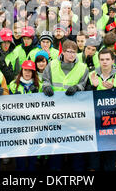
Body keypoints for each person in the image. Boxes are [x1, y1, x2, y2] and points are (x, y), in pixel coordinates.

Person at [41, 39, 89, 170]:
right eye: (69, 52)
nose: (72, 55)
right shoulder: (51, 65)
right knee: (56, 146)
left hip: (74, 112)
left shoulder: (83, 68)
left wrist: (77, 88)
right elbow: (45, 80)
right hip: (54, 112)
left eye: (74, 52)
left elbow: (84, 84)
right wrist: (46, 87)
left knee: (75, 145)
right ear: (63, 52)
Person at [86, 48, 116, 171]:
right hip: (95, 120)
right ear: (98, 61)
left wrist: (113, 89)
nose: (105, 62)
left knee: (110, 155)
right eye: (102, 59)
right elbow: (84, 97)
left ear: (113, 61)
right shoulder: (91, 75)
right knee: (94, 155)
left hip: (113, 121)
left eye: (107, 59)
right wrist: (93, 86)